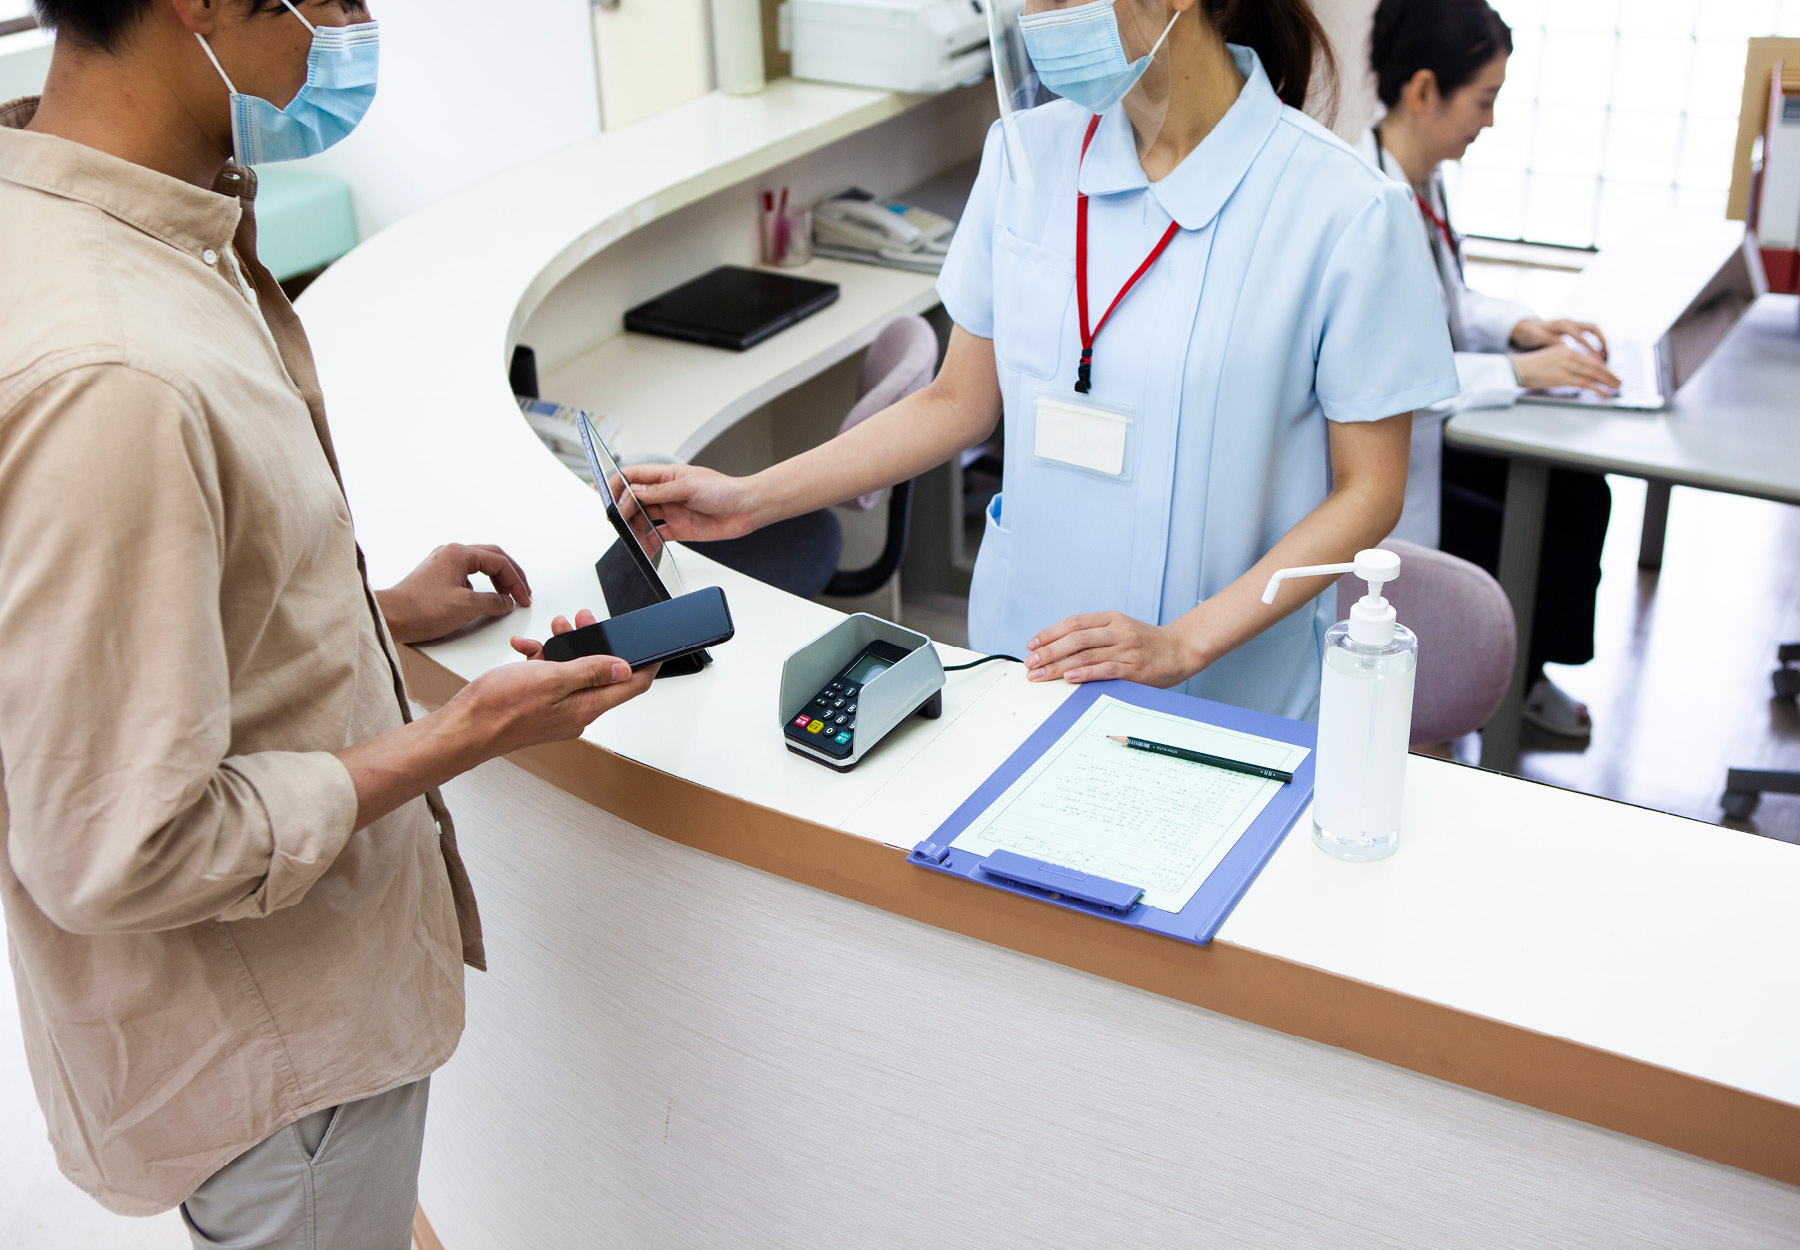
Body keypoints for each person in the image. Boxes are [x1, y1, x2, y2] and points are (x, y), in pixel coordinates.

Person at [0, 1, 646, 1244]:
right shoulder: (114, 367)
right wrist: (466, 731)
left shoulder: (100, 226)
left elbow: (120, 606)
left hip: (259, 1040)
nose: (350, 32)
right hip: (272, 1057)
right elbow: (119, 846)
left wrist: (350, 600)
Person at [630, 0, 1456, 722]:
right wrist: (748, 499)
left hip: (1226, 694)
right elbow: (955, 402)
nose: (1039, 20)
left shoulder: (1344, 211)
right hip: (1024, 663)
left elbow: (1369, 492)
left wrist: (1184, 644)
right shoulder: (1024, 158)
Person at [1364, 0, 1615, 739]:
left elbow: (1446, 301)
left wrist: (1522, 328)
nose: (1491, 121)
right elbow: (1395, 371)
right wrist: (1518, 371)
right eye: (1484, 100)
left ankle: (1529, 678)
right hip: (1402, 455)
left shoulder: (1419, 179)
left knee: (1577, 490)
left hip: (1445, 423)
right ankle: (1500, 700)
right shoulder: (1369, 202)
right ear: (1422, 91)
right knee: (1543, 522)